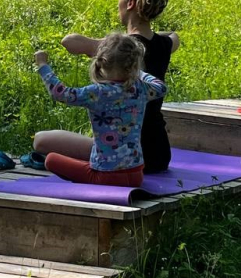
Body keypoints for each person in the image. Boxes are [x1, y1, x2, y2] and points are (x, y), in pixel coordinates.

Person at [35, 0, 179, 173]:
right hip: (159, 153)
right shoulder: (165, 44)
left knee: (41, 140)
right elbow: (173, 35)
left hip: (125, 154)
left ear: (130, 3)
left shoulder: (116, 50)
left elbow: (68, 41)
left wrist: (105, 43)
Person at [33, 33, 167, 187]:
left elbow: (60, 93)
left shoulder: (96, 92)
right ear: (132, 64)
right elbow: (161, 87)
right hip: (136, 174)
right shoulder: (140, 88)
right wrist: (138, 72)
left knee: (51, 160)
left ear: (102, 62)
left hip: (105, 176)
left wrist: (43, 65)